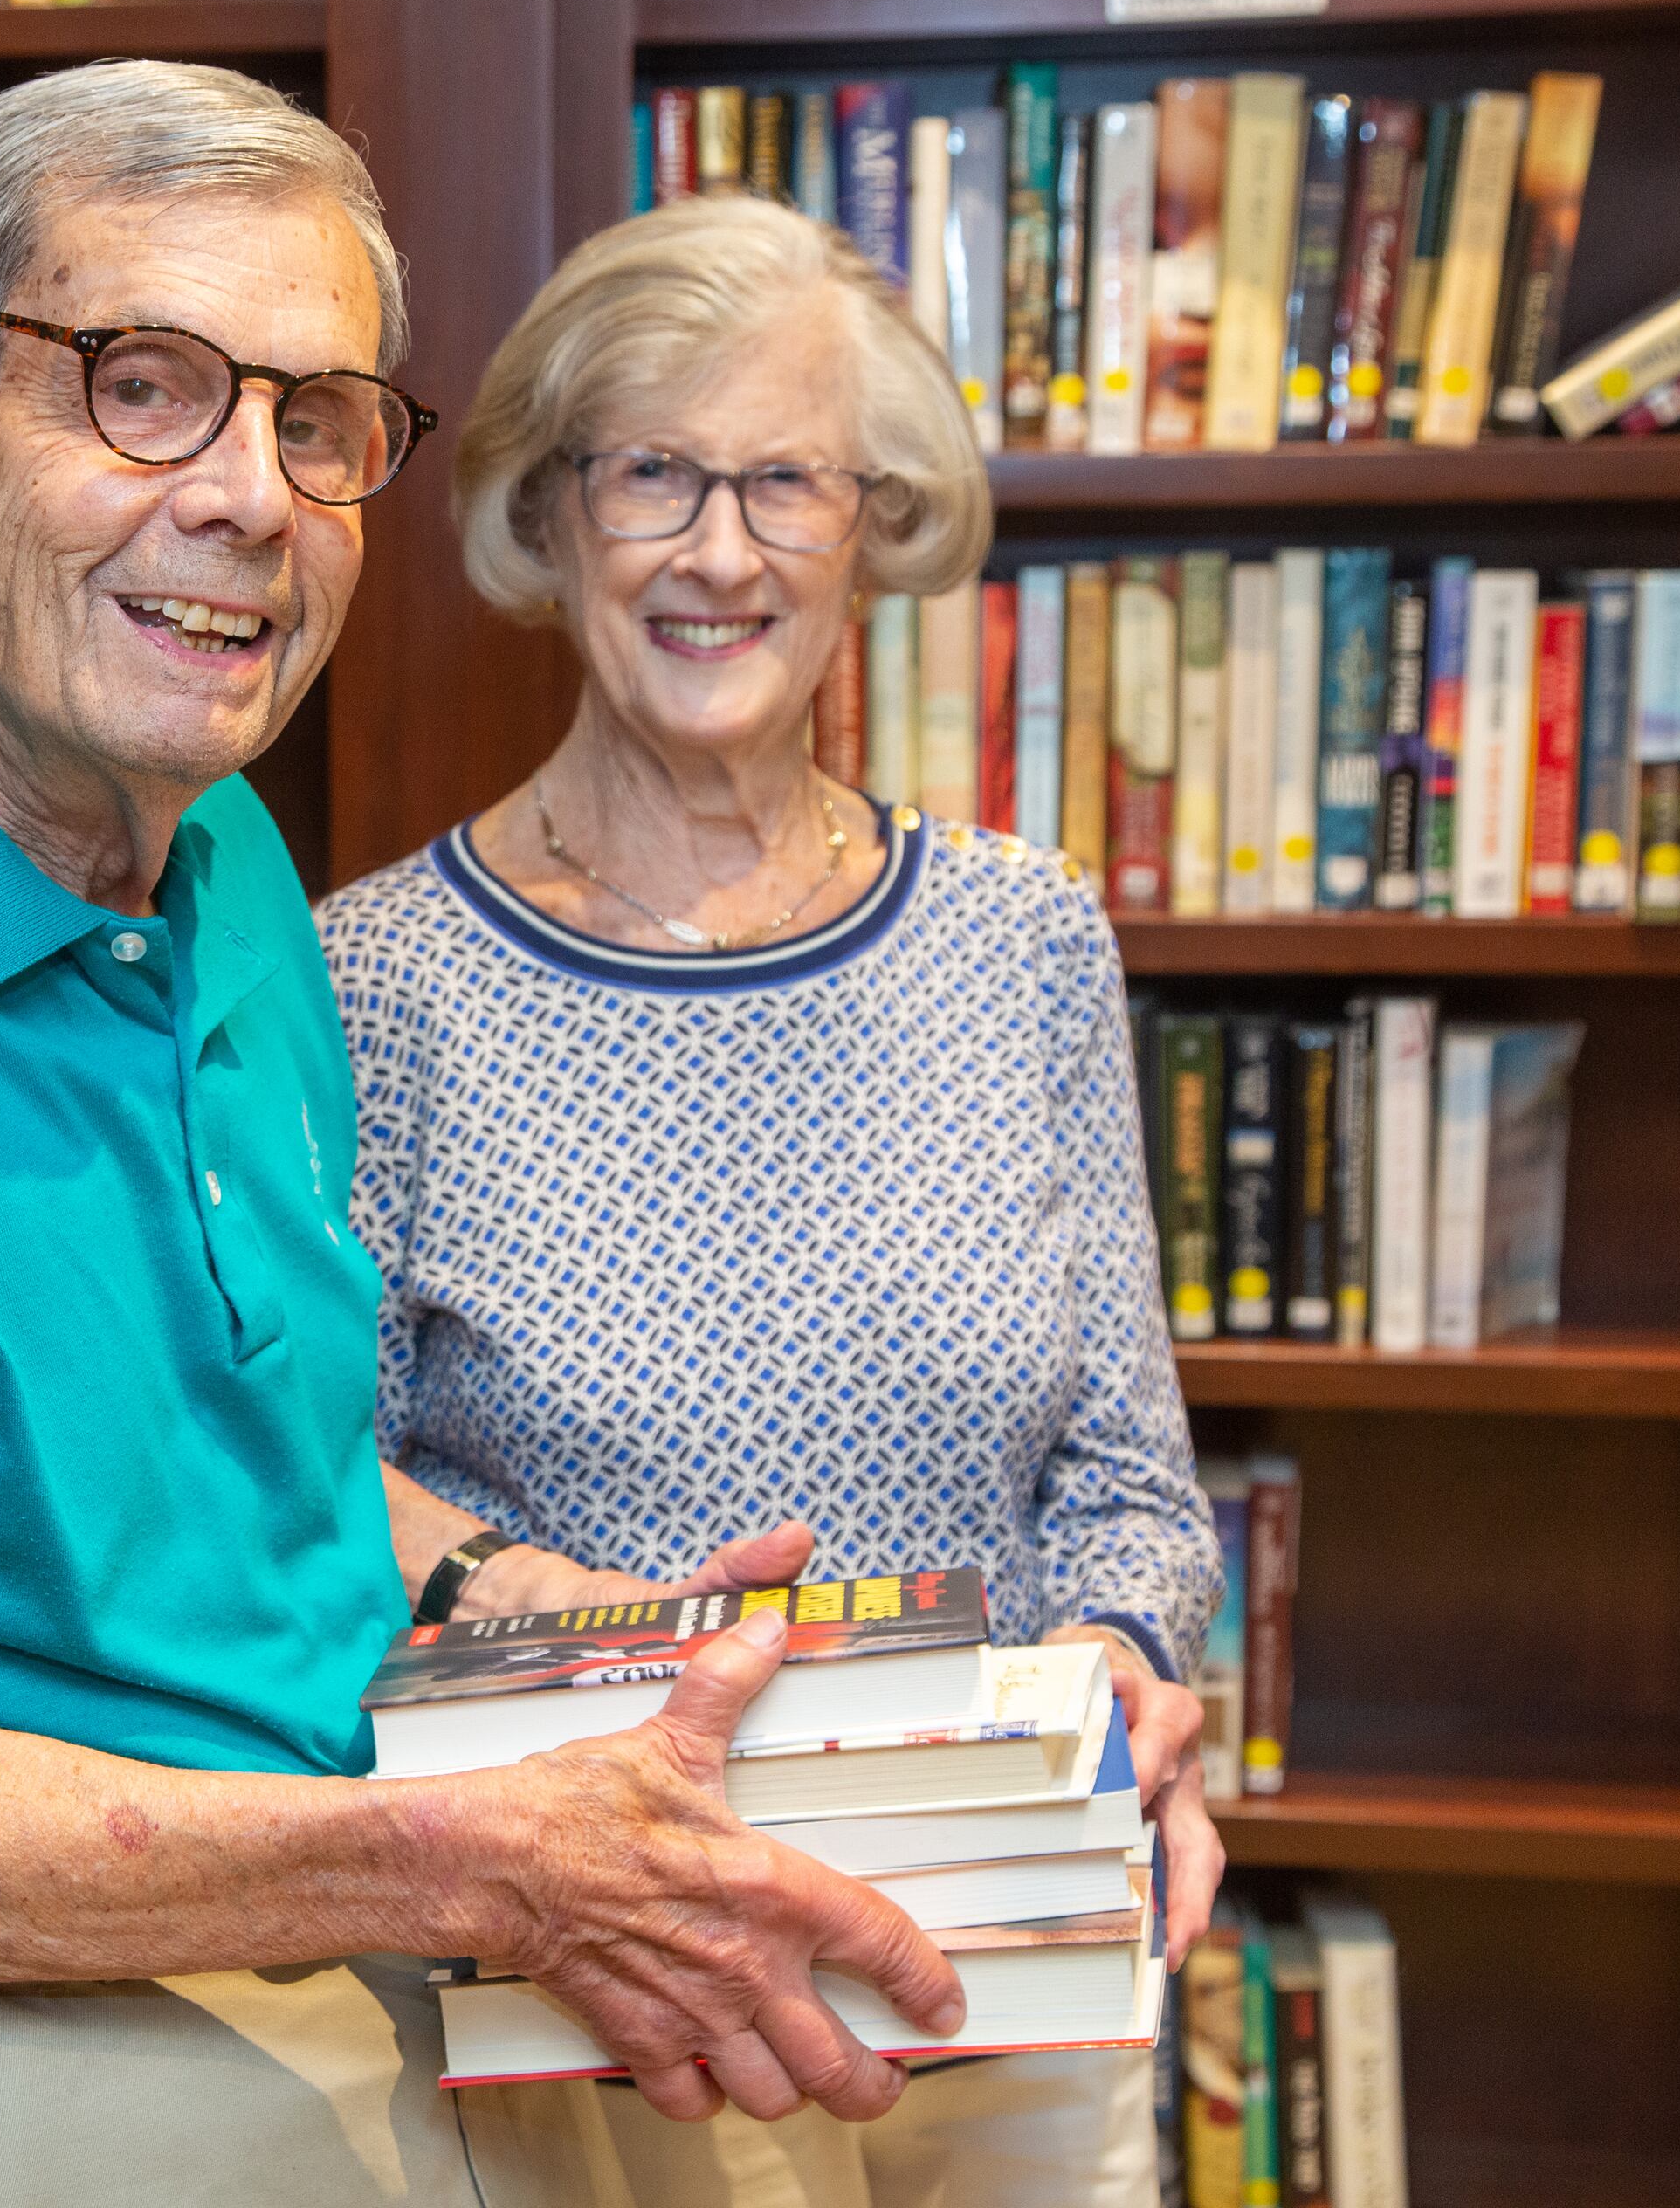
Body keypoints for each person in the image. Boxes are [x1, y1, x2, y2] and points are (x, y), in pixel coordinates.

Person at [0, 63, 975, 2207]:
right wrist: (462, 1859)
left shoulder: (223, 846)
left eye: (318, 419)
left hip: (353, 1908)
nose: (254, 499)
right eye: (146, 388)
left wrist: (540, 1600)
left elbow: (244, 1459)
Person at [314, 194, 1226, 2206]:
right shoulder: (375, 982)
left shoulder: (1025, 940)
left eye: (785, 480)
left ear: (874, 526)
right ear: (550, 514)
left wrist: (1128, 1664)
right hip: (601, 2004)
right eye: (654, 471)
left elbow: (1130, 1480)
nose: (720, 551)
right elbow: (303, 1493)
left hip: (1006, 1962)